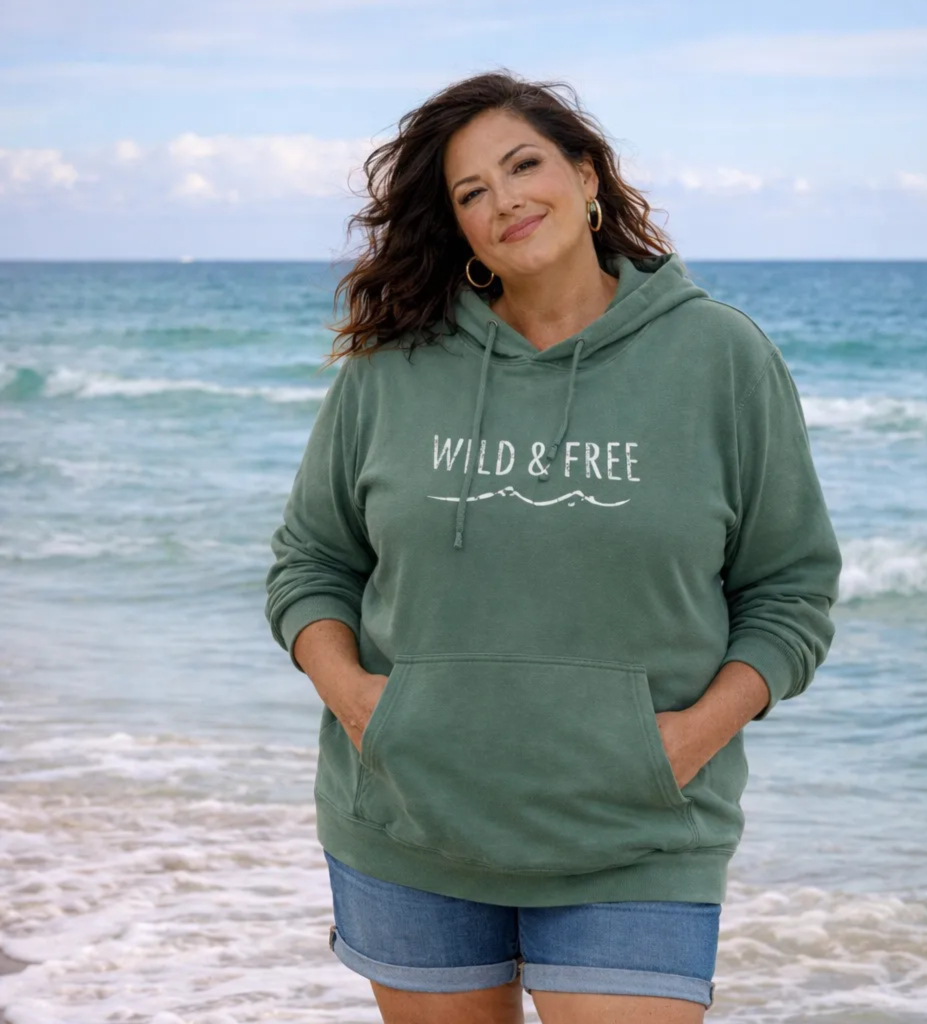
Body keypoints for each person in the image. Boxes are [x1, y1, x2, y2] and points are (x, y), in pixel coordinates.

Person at [264, 70, 843, 1024]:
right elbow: (312, 565)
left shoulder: (719, 358)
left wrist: (687, 741)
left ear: (587, 176)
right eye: (470, 193)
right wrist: (365, 706)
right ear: (454, 226)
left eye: (523, 165)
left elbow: (790, 591)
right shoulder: (391, 368)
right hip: (413, 827)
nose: (505, 201)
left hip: (638, 834)